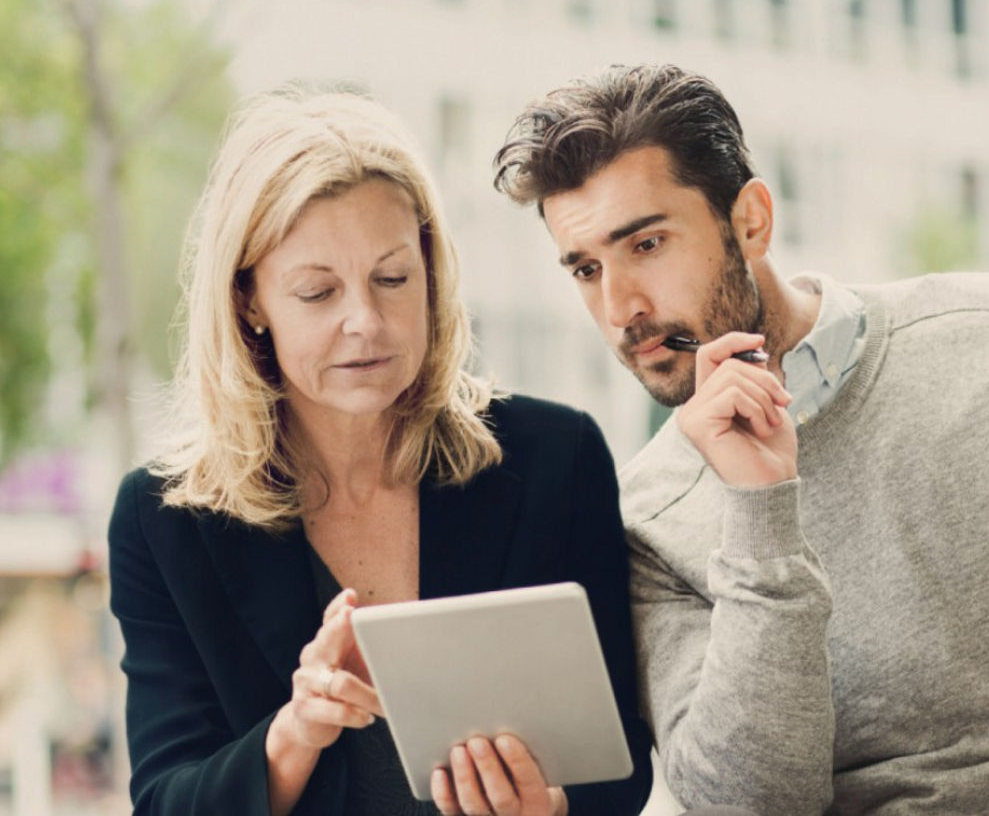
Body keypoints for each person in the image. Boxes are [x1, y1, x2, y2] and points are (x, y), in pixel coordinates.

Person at [492, 64, 989, 815]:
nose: (621, 307)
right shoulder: (648, 519)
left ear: (751, 220)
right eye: (585, 270)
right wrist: (760, 513)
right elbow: (750, 805)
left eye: (646, 244)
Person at [107, 87, 653, 816]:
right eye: (316, 293)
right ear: (249, 301)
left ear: (431, 274)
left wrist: (549, 809)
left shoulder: (557, 459)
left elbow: (617, 765)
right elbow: (166, 800)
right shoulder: (164, 519)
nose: (365, 321)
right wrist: (294, 735)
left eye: (392, 279)